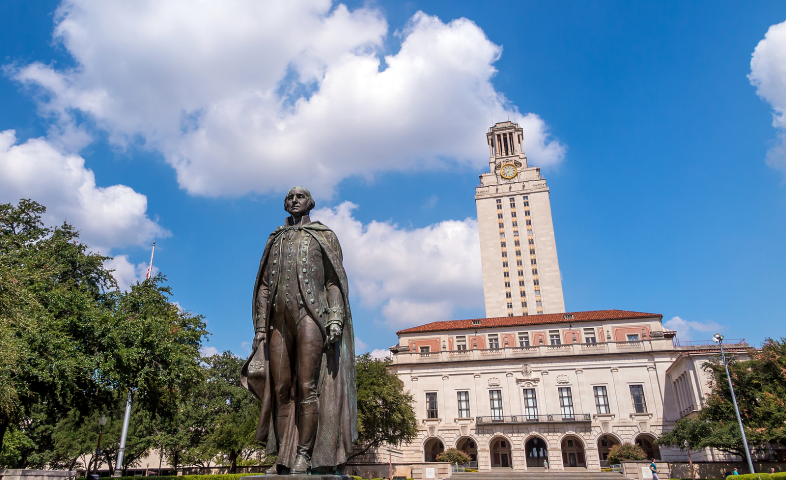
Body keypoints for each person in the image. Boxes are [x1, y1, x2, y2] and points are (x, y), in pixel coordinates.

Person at [241, 186, 357, 474]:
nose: (294, 200)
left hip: (312, 316)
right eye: (289, 197)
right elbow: (265, 285)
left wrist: (336, 318)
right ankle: (283, 454)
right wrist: (260, 328)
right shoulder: (275, 239)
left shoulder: (324, 235)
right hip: (278, 321)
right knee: (280, 388)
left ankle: (305, 454)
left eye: (300, 196)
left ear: (310, 203)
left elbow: (333, 282)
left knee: (307, 385)